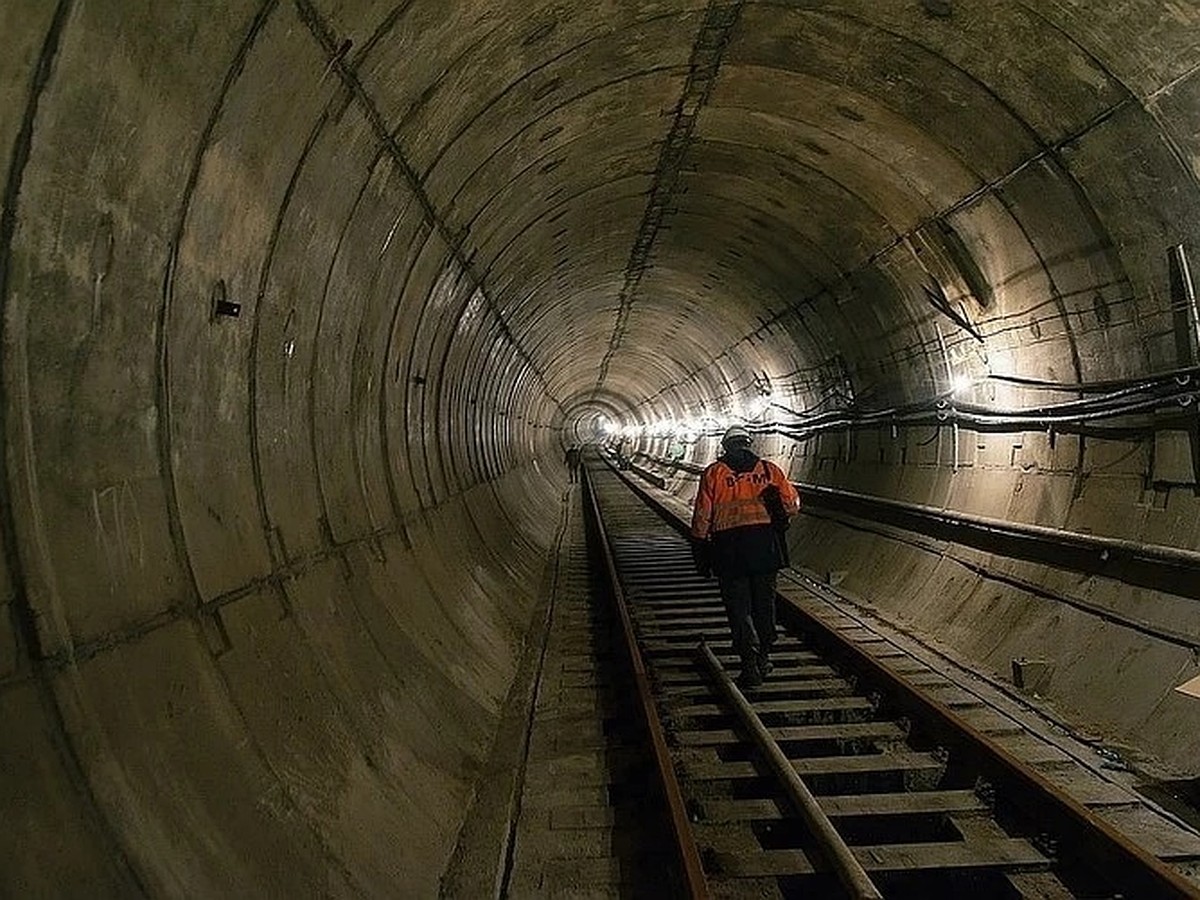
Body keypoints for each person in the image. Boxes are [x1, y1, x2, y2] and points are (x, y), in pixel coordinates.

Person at [690, 425, 800, 689]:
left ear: (725, 447)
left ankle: (749, 666)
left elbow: (703, 515)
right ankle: (763, 658)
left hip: (729, 550)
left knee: (739, 609)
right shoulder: (768, 470)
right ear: (749, 444)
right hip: (765, 547)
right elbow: (792, 505)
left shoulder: (714, 473)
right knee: (764, 605)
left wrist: (700, 550)